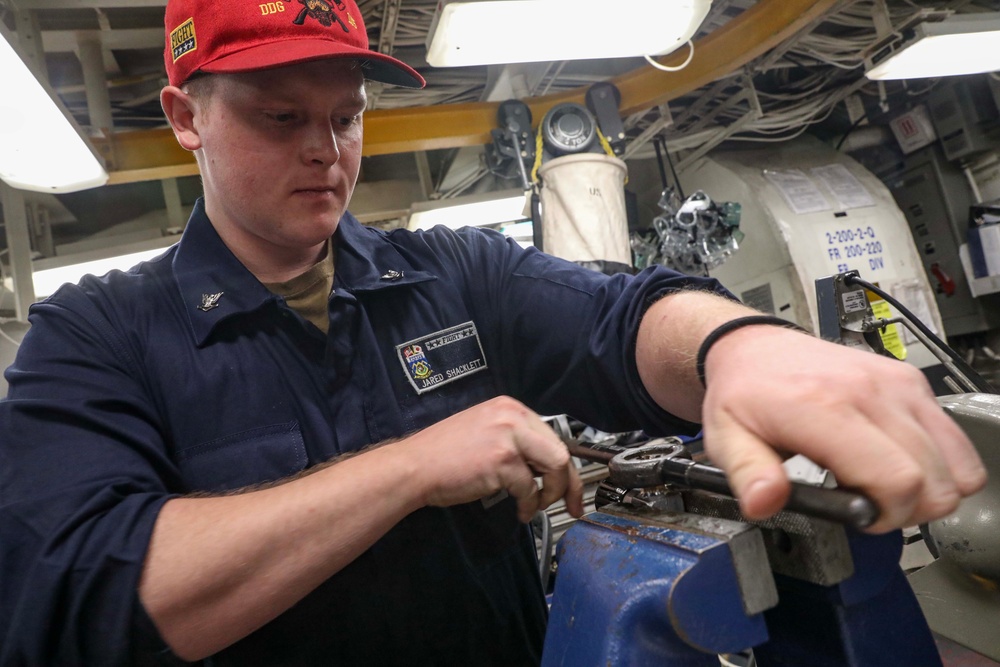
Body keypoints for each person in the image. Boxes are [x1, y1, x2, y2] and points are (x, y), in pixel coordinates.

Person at [0, 0, 986, 664]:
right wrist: (410, 468)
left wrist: (735, 348)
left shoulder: (452, 273)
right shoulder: (96, 334)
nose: (324, 151)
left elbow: (616, 314)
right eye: (278, 115)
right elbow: (89, 596)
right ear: (186, 117)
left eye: (344, 117)